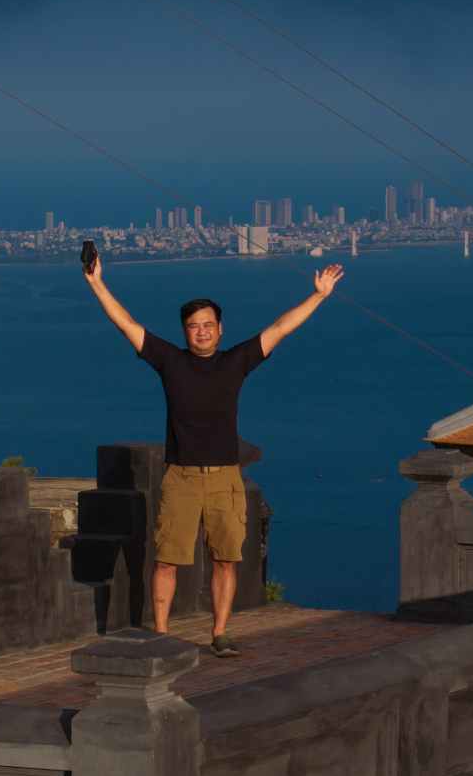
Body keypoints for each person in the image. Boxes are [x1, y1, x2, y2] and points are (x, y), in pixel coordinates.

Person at [85, 251, 344, 656]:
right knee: (167, 559)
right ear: (185, 332)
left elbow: (280, 328)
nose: (201, 332)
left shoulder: (236, 362)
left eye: (208, 325)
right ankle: (162, 633)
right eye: (193, 327)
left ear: (220, 330)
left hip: (226, 477)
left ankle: (220, 633)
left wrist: (319, 296)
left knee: (226, 559)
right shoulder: (169, 361)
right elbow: (127, 325)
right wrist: (97, 282)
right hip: (182, 476)